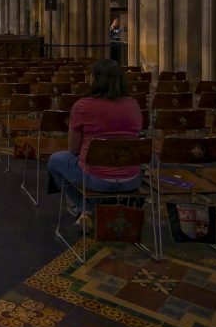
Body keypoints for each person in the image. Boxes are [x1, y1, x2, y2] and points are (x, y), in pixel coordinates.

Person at [46, 58, 143, 223]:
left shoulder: (83, 106)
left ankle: (86, 208)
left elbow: (73, 148)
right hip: (132, 179)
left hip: (97, 179)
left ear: (95, 79)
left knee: (55, 161)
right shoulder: (133, 104)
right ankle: (98, 208)